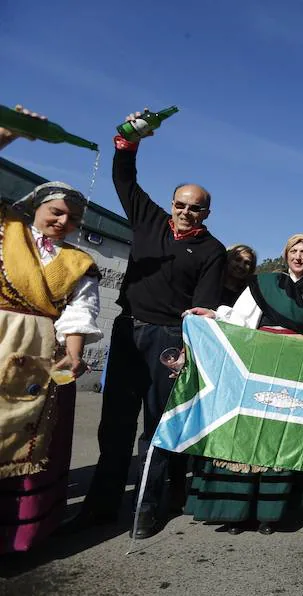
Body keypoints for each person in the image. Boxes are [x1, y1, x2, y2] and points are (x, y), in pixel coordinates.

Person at [71, 111, 226, 540]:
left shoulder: (213, 250)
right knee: (114, 426)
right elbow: (124, 178)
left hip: (169, 340)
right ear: (171, 203)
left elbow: (205, 307)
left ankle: (147, 508)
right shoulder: (148, 218)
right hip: (128, 331)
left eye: (195, 209)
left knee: (157, 428)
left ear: (206, 213)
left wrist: (188, 350)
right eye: (180, 205)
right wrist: (129, 140)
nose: (185, 213)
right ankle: (99, 508)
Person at [185, 233, 303, 534]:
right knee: (243, 436)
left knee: (278, 439)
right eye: (294, 251)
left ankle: (268, 514)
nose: (298, 257)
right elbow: (240, 320)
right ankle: (236, 512)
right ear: (286, 254)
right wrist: (214, 314)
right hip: (255, 368)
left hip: (292, 372)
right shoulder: (263, 283)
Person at [0, 180, 102, 552]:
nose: (63, 221)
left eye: (72, 218)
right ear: (36, 206)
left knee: (35, 438)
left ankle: (20, 533)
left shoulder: (78, 261)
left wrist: (73, 355)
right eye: (56, 211)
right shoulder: (6, 232)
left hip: (43, 350)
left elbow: (79, 311)